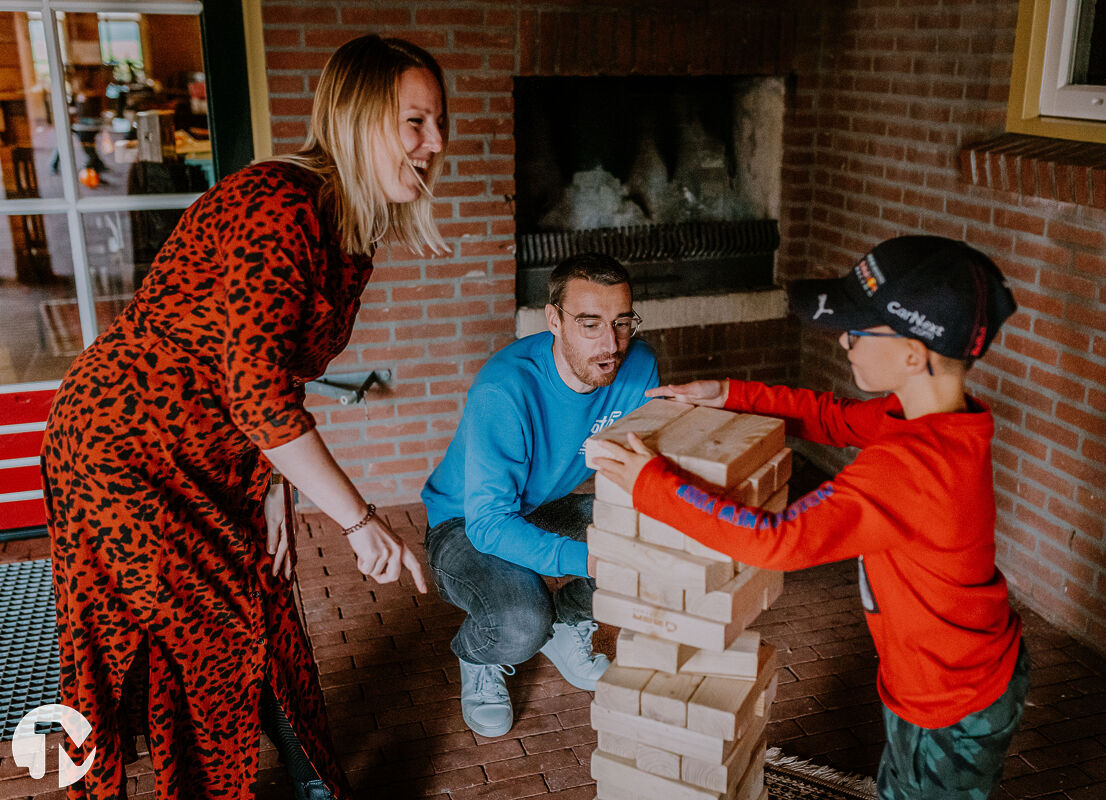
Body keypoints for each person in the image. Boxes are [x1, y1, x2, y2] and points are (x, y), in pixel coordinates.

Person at [40, 35, 447, 800]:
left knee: (264, 612)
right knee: (214, 639)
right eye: (415, 122)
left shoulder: (348, 232)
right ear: (359, 120)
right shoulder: (280, 205)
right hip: (120, 447)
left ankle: (315, 785)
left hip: (210, 455)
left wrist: (273, 492)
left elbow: (261, 381)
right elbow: (257, 390)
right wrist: (360, 522)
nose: (434, 144)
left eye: (438, 123)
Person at [594, 236, 1029, 800]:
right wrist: (728, 393)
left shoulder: (914, 467)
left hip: (951, 699)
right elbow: (833, 417)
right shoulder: (931, 419)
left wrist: (651, 484)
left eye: (860, 329)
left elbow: (777, 541)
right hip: (942, 672)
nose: (845, 340)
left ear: (912, 354)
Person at [420, 253, 658, 737]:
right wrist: (589, 557)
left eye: (621, 322)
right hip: (464, 524)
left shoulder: (638, 367)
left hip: (541, 508)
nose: (610, 344)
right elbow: (488, 524)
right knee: (521, 621)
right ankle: (479, 656)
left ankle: (567, 623)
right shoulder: (504, 389)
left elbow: (640, 473)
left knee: (653, 538)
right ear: (555, 320)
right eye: (590, 324)